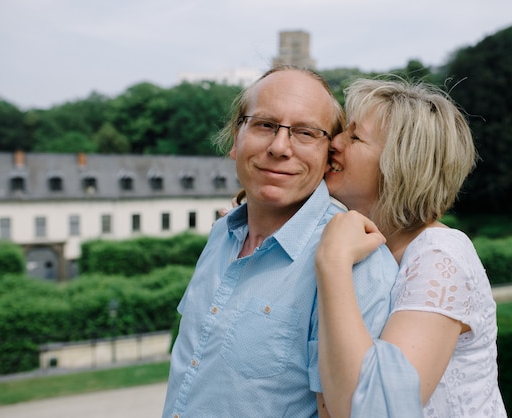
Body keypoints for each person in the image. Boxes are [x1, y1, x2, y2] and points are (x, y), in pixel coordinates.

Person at [161, 66, 406, 418]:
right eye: (264, 125)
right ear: (236, 137)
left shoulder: (359, 267)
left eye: (305, 133)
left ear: (329, 156)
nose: (279, 147)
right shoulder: (221, 235)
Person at [316, 78, 507, 417]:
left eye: (354, 136)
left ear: (399, 166)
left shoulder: (439, 256)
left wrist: (332, 264)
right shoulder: (369, 242)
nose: (334, 142)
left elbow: (375, 408)